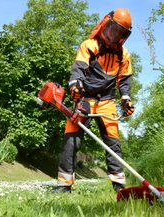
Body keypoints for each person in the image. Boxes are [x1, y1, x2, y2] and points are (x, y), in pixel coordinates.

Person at [52, 8, 135, 193]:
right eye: (114, 30)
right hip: (84, 99)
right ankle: (64, 185)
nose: (116, 36)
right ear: (106, 25)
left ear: (125, 36)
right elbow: (78, 69)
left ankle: (119, 187)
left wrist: (126, 100)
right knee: (71, 139)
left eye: (121, 33)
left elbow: (125, 80)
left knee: (113, 143)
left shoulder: (124, 55)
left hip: (107, 101)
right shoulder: (89, 45)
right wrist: (75, 86)